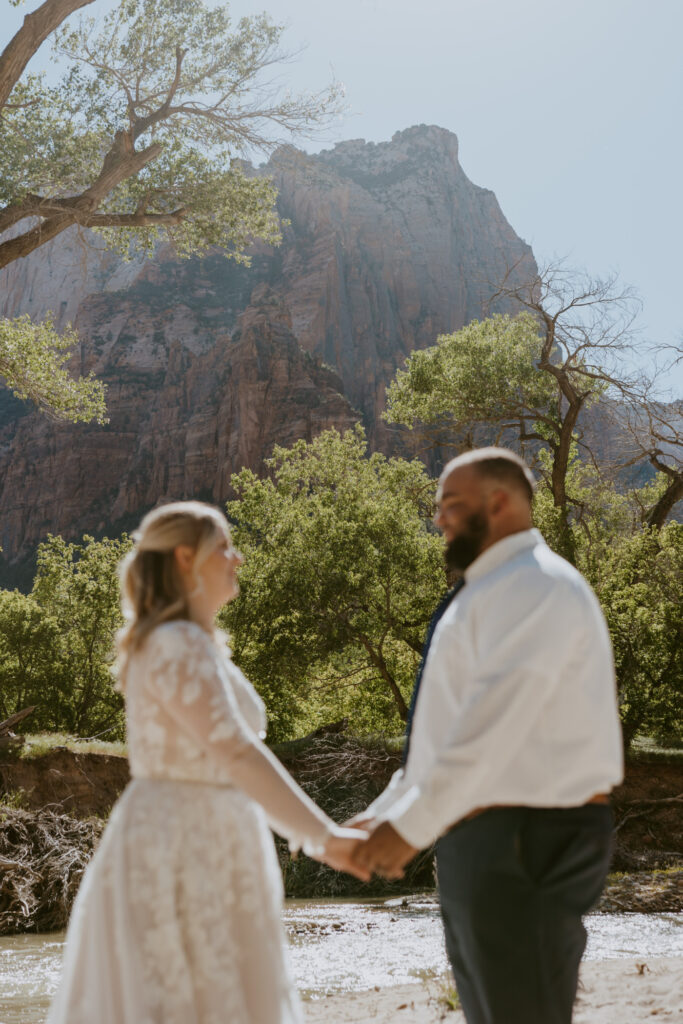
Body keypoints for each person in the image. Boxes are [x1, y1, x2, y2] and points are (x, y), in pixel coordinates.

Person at [47, 501, 367, 1024]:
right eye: (223, 546)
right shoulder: (177, 643)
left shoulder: (184, 643)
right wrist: (324, 838)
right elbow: (237, 753)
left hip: (201, 833)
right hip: (184, 844)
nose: (236, 558)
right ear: (184, 558)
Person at [351, 447, 624, 1024]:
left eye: (449, 504)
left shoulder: (537, 587)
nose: (438, 518)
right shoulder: (486, 590)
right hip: (489, 835)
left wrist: (410, 828)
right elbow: (443, 732)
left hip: (526, 835)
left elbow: (491, 728)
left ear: (499, 502)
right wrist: (388, 812)